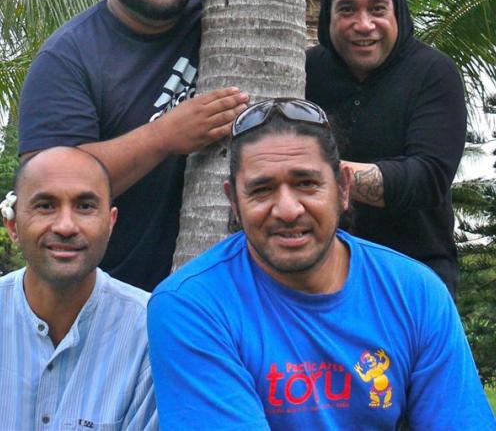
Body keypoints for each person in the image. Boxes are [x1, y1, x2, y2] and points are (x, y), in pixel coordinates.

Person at [147, 99, 494, 429]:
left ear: (343, 189)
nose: (287, 209)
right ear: (233, 202)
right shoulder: (192, 305)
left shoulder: (414, 292)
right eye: (261, 190)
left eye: (306, 184)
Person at [18, 0, 248, 291]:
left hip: (221, 285)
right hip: (111, 290)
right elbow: (44, 186)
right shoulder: (69, 57)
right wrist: (164, 137)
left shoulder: (226, 23)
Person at [305, 0, 467, 296]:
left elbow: (427, 178)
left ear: (398, 13)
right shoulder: (304, 71)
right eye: (346, 9)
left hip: (414, 276)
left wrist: (311, 174)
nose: (363, 25)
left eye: (377, 9)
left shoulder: (433, 72)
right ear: (327, 18)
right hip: (316, 276)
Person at [0, 146, 158, 430]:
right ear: (13, 225)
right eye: (45, 206)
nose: (65, 226)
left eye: (84, 206)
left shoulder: (149, 331)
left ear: (110, 224)